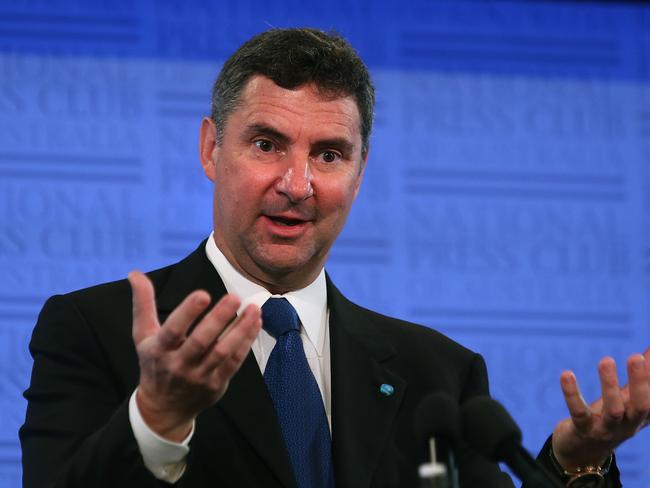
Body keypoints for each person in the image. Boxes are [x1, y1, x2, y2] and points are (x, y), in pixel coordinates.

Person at [20, 28, 649, 488]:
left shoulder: (439, 373)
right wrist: (157, 416)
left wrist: (574, 463)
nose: (297, 184)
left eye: (328, 154)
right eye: (267, 144)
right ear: (212, 149)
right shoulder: (95, 331)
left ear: (360, 170)